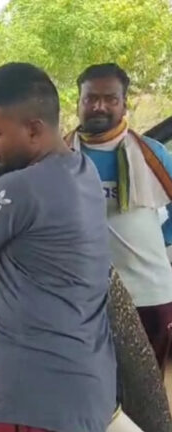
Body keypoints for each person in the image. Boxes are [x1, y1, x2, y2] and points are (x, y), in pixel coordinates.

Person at [0, 63, 119, 432]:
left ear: (34, 129)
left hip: (38, 402)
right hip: (85, 389)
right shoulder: (83, 170)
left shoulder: (17, 189)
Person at [66, 63, 172, 375]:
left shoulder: (150, 154)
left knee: (145, 397)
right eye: (90, 98)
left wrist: (160, 236)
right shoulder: (60, 156)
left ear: (124, 103)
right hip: (83, 298)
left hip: (149, 295)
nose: (99, 106)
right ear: (79, 102)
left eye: (110, 99)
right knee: (89, 389)